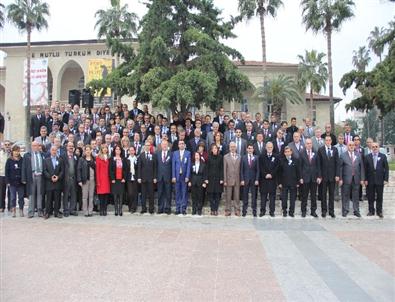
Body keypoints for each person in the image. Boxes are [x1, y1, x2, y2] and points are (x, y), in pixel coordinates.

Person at [339, 140, 365, 218]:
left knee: (356, 196)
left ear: (355, 146)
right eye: (350, 145)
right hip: (346, 178)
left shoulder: (359, 155)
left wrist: (362, 179)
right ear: (347, 146)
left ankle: (356, 210)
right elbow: (340, 168)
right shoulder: (343, 155)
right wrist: (340, 178)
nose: (351, 146)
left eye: (353, 145)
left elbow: (362, 167)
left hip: (356, 178)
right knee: (345, 195)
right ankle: (345, 210)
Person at [364, 142, 389, 218]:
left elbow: (386, 169)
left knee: (379, 196)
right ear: (371, 148)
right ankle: (371, 211)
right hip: (370, 180)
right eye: (373, 147)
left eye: (376, 147)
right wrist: (365, 179)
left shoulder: (383, 156)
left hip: (380, 180)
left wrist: (385, 179)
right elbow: (365, 169)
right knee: (370, 196)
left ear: (378, 148)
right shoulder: (367, 157)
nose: (374, 148)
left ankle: (379, 211)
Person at [22, 141, 45, 218]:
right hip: (31, 176)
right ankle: (31, 212)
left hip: (40, 176)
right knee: (31, 194)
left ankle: (40, 210)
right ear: (31, 146)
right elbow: (24, 167)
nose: (35, 147)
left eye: (37, 145)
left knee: (40, 194)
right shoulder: (27, 155)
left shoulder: (42, 154)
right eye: (34, 145)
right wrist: (24, 178)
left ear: (39, 146)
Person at [317, 136, 339, 218]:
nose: (328, 141)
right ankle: (324, 211)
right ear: (324, 141)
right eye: (326, 140)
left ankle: (331, 211)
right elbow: (318, 165)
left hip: (332, 176)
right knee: (323, 195)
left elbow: (337, 163)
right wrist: (319, 176)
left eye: (329, 140)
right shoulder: (320, 150)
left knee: (331, 194)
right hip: (323, 176)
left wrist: (337, 175)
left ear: (331, 141)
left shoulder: (335, 150)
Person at [278, 147, 300, 217]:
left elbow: (298, 172)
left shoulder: (296, 160)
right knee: (284, 198)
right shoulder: (281, 161)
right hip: (284, 183)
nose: (287, 153)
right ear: (284, 153)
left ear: (291, 152)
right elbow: (279, 173)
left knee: (292, 198)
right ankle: (284, 211)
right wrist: (279, 183)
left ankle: (291, 212)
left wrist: (298, 182)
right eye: (286, 152)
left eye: (288, 151)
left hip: (293, 183)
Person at [259, 142, 279, 217]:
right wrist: (265, 174)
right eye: (268, 147)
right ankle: (262, 211)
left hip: (272, 180)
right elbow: (260, 167)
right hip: (264, 180)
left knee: (272, 196)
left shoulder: (276, 156)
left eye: (271, 147)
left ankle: (272, 211)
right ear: (266, 148)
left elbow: (277, 167)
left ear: (273, 148)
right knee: (263, 196)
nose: (269, 149)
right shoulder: (262, 156)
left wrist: (271, 174)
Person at [43, 146, 64, 219]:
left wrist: (58, 177)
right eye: (52, 150)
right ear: (50, 151)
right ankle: (48, 212)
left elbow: (62, 171)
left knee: (57, 198)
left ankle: (56, 212)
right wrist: (50, 177)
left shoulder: (60, 160)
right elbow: (45, 171)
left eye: (55, 150)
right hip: (49, 182)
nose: (54, 151)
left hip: (57, 182)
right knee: (49, 199)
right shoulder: (46, 160)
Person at [299, 138, 319, 218]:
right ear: (305, 144)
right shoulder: (302, 153)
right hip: (305, 178)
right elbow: (300, 167)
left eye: (310, 143)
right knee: (304, 196)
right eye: (307, 143)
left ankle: (313, 211)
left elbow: (318, 166)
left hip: (314, 178)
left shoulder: (316, 153)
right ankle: (303, 211)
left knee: (313, 196)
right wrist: (300, 177)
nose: (309, 145)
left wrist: (319, 176)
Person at [137, 141, 157, 214]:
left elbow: (155, 167)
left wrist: (155, 177)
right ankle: (143, 209)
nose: (148, 147)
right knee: (143, 195)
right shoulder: (141, 155)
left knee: (151, 194)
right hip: (143, 178)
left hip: (151, 178)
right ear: (144, 146)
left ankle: (151, 209)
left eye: (149, 145)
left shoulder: (154, 155)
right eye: (146, 145)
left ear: (150, 147)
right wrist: (139, 177)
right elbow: (139, 167)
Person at [5, 145, 25, 217]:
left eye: (18, 151)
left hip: (20, 182)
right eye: (15, 151)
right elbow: (6, 172)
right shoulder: (9, 160)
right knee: (13, 197)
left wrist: (24, 179)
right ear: (12, 152)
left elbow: (24, 170)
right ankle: (13, 210)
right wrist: (7, 182)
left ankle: (21, 210)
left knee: (21, 197)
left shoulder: (22, 160)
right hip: (12, 182)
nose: (16, 153)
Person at [172, 140, 191, 215]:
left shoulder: (188, 153)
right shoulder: (175, 153)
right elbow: (173, 165)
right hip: (176, 176)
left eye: (183, 143)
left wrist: (187, 176)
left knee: (184, 192)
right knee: (177, 192)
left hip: (184, 176)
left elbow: (189, 165)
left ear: (185, 145)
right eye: (180, 144)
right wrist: (173, 176)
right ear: (178, 145)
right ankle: (177, 208)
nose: (181, 145)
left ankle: (183, 208)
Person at [240, 144, 259, 217]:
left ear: (253, 150)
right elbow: (241, 170)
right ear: (247, 149)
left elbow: (258, 170)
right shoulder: (243, 157)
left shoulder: (256, 158)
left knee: (254, 196)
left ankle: (254, 211)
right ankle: (244, 210)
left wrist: (257, 179)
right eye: (249, 148)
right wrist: (242, 179)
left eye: (251, 148)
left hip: (254, 180)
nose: (250, 150)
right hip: (245, 179)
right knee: (245, 196)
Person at [77, 145, 96, 217]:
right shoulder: (82, 159)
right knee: (85, 196)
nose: (88, 151)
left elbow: (95, 169)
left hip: (92, 180)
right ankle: (85, 211)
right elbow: (78, 170)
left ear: (91, 150)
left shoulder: (93, 159)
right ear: (85, 151)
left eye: (89, 150)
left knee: (91, 196)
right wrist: (79, 180)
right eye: (86, 150)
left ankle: (90, 211)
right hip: (84, 180)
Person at [223, 142, 241, 216]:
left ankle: (237, 210)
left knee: (237, 195)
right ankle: (228, 210)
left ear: (236, 147)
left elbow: (240, 169)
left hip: (237, 178)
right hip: (229, 178)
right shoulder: (225, 157)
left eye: (234, 146)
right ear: (229, 148)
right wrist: (225, 180)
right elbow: (224, 169)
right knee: (228, 195)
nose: (233, 148)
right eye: (231, 147)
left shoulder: (239, 156)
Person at [109, 145, 128, 216]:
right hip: (115, 180)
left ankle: (120, 210)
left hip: (121, 180)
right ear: (114, 150)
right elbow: (110, 170)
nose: (118, 151)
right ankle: (116, 210)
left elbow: (126, 170)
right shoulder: (112, 159)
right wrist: (112, 178)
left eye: (119, 149)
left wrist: (124, 178)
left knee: (121, 195)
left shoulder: (123, 159)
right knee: (115, 195)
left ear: (121, 151)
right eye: (116, 149)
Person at [62, 142, 79, 216]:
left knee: (73, 194)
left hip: (73, 178)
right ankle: (66, 210)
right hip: (66, 179)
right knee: (65, 195)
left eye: (72, 146)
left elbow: (78, 168)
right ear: (67, 147)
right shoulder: (63, 156)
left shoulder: (76, 156)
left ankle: (72, 209)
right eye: (69, 146)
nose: (71, 147)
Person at [206, 144, 223, 216]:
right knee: (210, 195)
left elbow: (222, 168)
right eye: (213, 148)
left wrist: (222, 178)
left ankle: (216, 209)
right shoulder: (209, 157)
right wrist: (206, 178)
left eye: (216, 148)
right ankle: (212, 209)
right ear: (211, 150)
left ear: (218, 150)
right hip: (210, 179)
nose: (215, 150)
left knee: (217, 195)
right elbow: (206, 168)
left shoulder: (220, 157)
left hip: (218, 179)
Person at [156, 139, 172, 214]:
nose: (164, 146)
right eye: (163, 144)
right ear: (161, 146)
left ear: (167, 145)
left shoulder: (171, 154)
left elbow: (172, 166)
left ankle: (168, 208)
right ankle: (160, 208)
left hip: (168, 177)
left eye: (166, 144)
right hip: (159, 177)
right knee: (160, 193)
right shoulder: (157, 154)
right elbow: (156, 166)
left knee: (168, 193)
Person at [96, 144, 111, 216]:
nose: (105, 149)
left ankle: (105, 210)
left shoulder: (109, 158)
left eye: (106, 148)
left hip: (107, 179)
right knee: (101, 196)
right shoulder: (98, 158)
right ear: (101, 149)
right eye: (103, 148)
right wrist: (98, 181)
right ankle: (101, 210)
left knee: (106, 196)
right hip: (101, 179)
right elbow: (97, 170)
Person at [126, 146, 138, 213]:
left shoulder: (137, 159)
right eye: (130, 150)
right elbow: (125, 170)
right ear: (128, 152)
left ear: (134, 151)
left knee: (135, 193)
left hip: (135, 178)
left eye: (132, 150)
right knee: (130, 193)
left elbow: (138, 169)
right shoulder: (127, 159)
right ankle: (130, 206)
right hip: (129, 178)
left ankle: (134, 207)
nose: (131, 151)